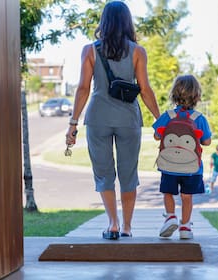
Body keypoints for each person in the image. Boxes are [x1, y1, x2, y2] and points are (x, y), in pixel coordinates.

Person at [65, 1, 160, 240]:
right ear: (127, 22)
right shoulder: (138, 51)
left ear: (104, 22)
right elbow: (145, 89)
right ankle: (127, 227)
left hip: (98, 119)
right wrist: (160, 120)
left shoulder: (90, 50)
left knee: (104, 173)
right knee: (128, 173)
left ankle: (113, 224)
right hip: (129, 118)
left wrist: (73, 123)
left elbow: (83, 89)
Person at [152, 74, 212, 239]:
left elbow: (157, 136)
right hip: (192, 168)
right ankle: (185, 227)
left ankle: (170, 216)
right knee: (187, 197)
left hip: (169, 164)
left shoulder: (168, 115)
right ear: (197, 96)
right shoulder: (199, 118)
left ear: (174, 94)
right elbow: (206, 142)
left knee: (168, 192)